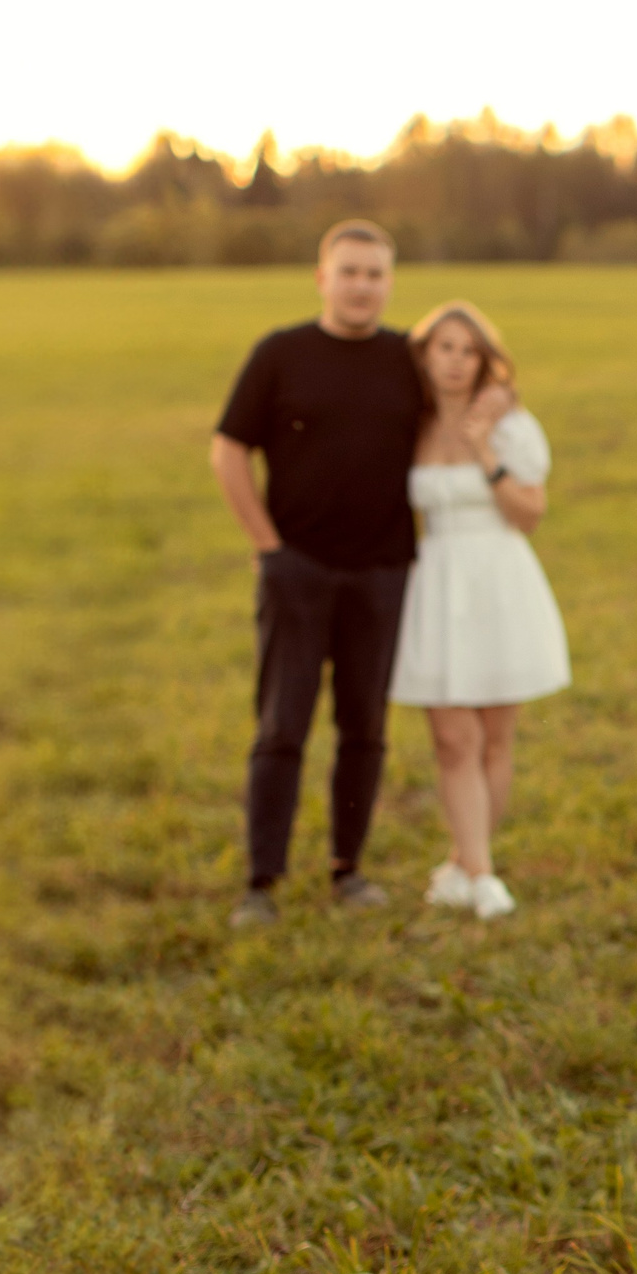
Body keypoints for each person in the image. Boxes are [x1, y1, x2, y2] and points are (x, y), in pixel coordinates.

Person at [210, 220, 422, 926]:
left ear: (390, 283)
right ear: (322, 277)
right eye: (350, 272)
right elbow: (228, 449)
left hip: (384, 571)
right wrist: (268, 546)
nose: (363, 286)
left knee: (364, 726)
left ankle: (348, 869)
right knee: (282, 725)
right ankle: (260, 882)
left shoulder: (407, 360)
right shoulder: (281, 353)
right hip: (295, 568)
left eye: (376, 274)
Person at [386, 299, 570, 921]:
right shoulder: (404, 422)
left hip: (498, 576)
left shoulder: (510, 423)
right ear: (425, 355)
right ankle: (482, 873)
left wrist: (483, 449)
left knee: (494, 738)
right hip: (435, 582)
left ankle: (467, 864)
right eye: (445, 348)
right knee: (450, 737)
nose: (458, 362)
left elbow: (531, 514)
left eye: (470, 350)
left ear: (484, 359)